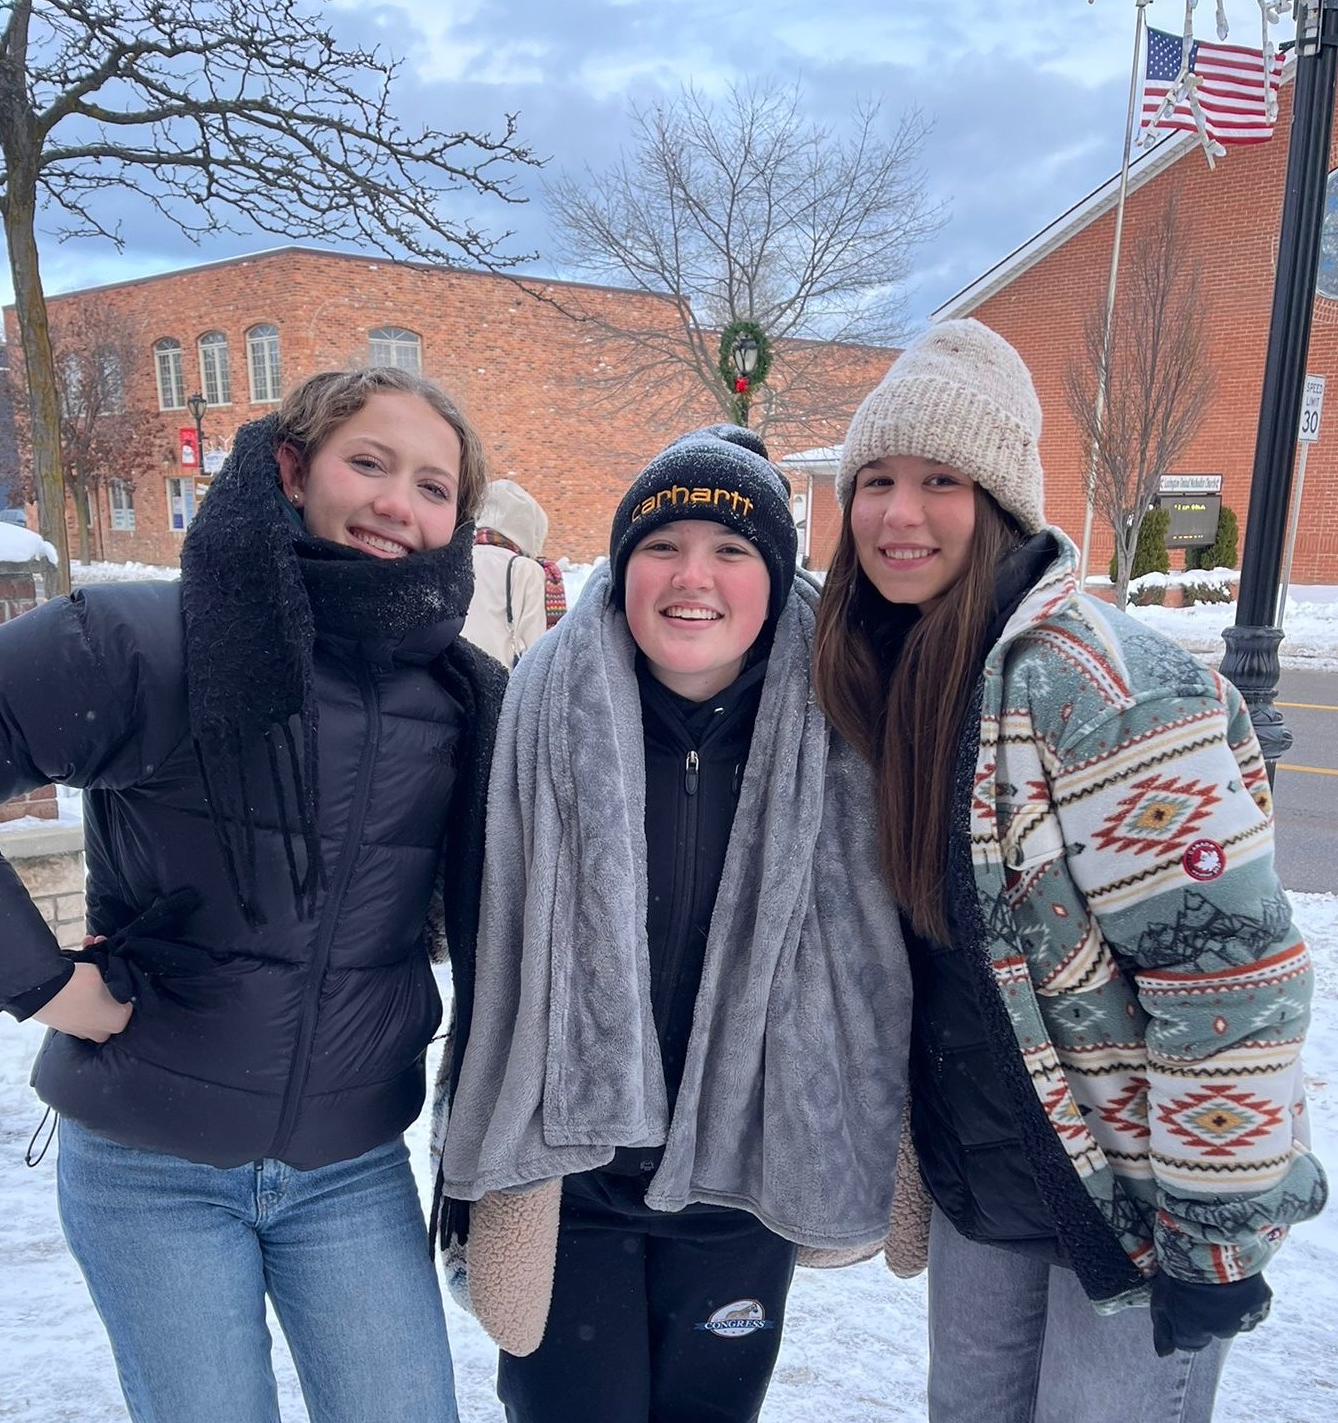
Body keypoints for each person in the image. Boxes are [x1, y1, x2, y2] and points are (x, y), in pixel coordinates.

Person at [0, 367, 507, 1423]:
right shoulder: (150, 642)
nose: (395, 503)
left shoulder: (464, 700)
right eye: (368, 462)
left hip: (351, 1165)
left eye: (432, 487)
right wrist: (42, 984)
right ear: (292, 469)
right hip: (152, 1166)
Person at [812, 319, 1329, 1423]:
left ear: (998, 501)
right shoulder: (894, 672)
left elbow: (1228, 976)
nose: (898, 513)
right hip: (994, 1184)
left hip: (1134, 1199)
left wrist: (1213, 1235)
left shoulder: (1098, 687)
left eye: (940, 480)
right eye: (876, 480)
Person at [437, 425, 912, 1423]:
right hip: (571, 1175)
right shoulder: (534, 707)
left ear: (773, 576)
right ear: (623, 566)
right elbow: (486, 948)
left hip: (739, 1175)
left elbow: (891, 951)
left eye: (731, 550)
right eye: (662, 545)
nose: (692, 576)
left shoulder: (850, 718)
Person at [462, 477, 561, 667]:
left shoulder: (458, 559)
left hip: (451, 675)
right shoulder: (526, 569)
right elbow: (536, 644)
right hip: (500, 676)